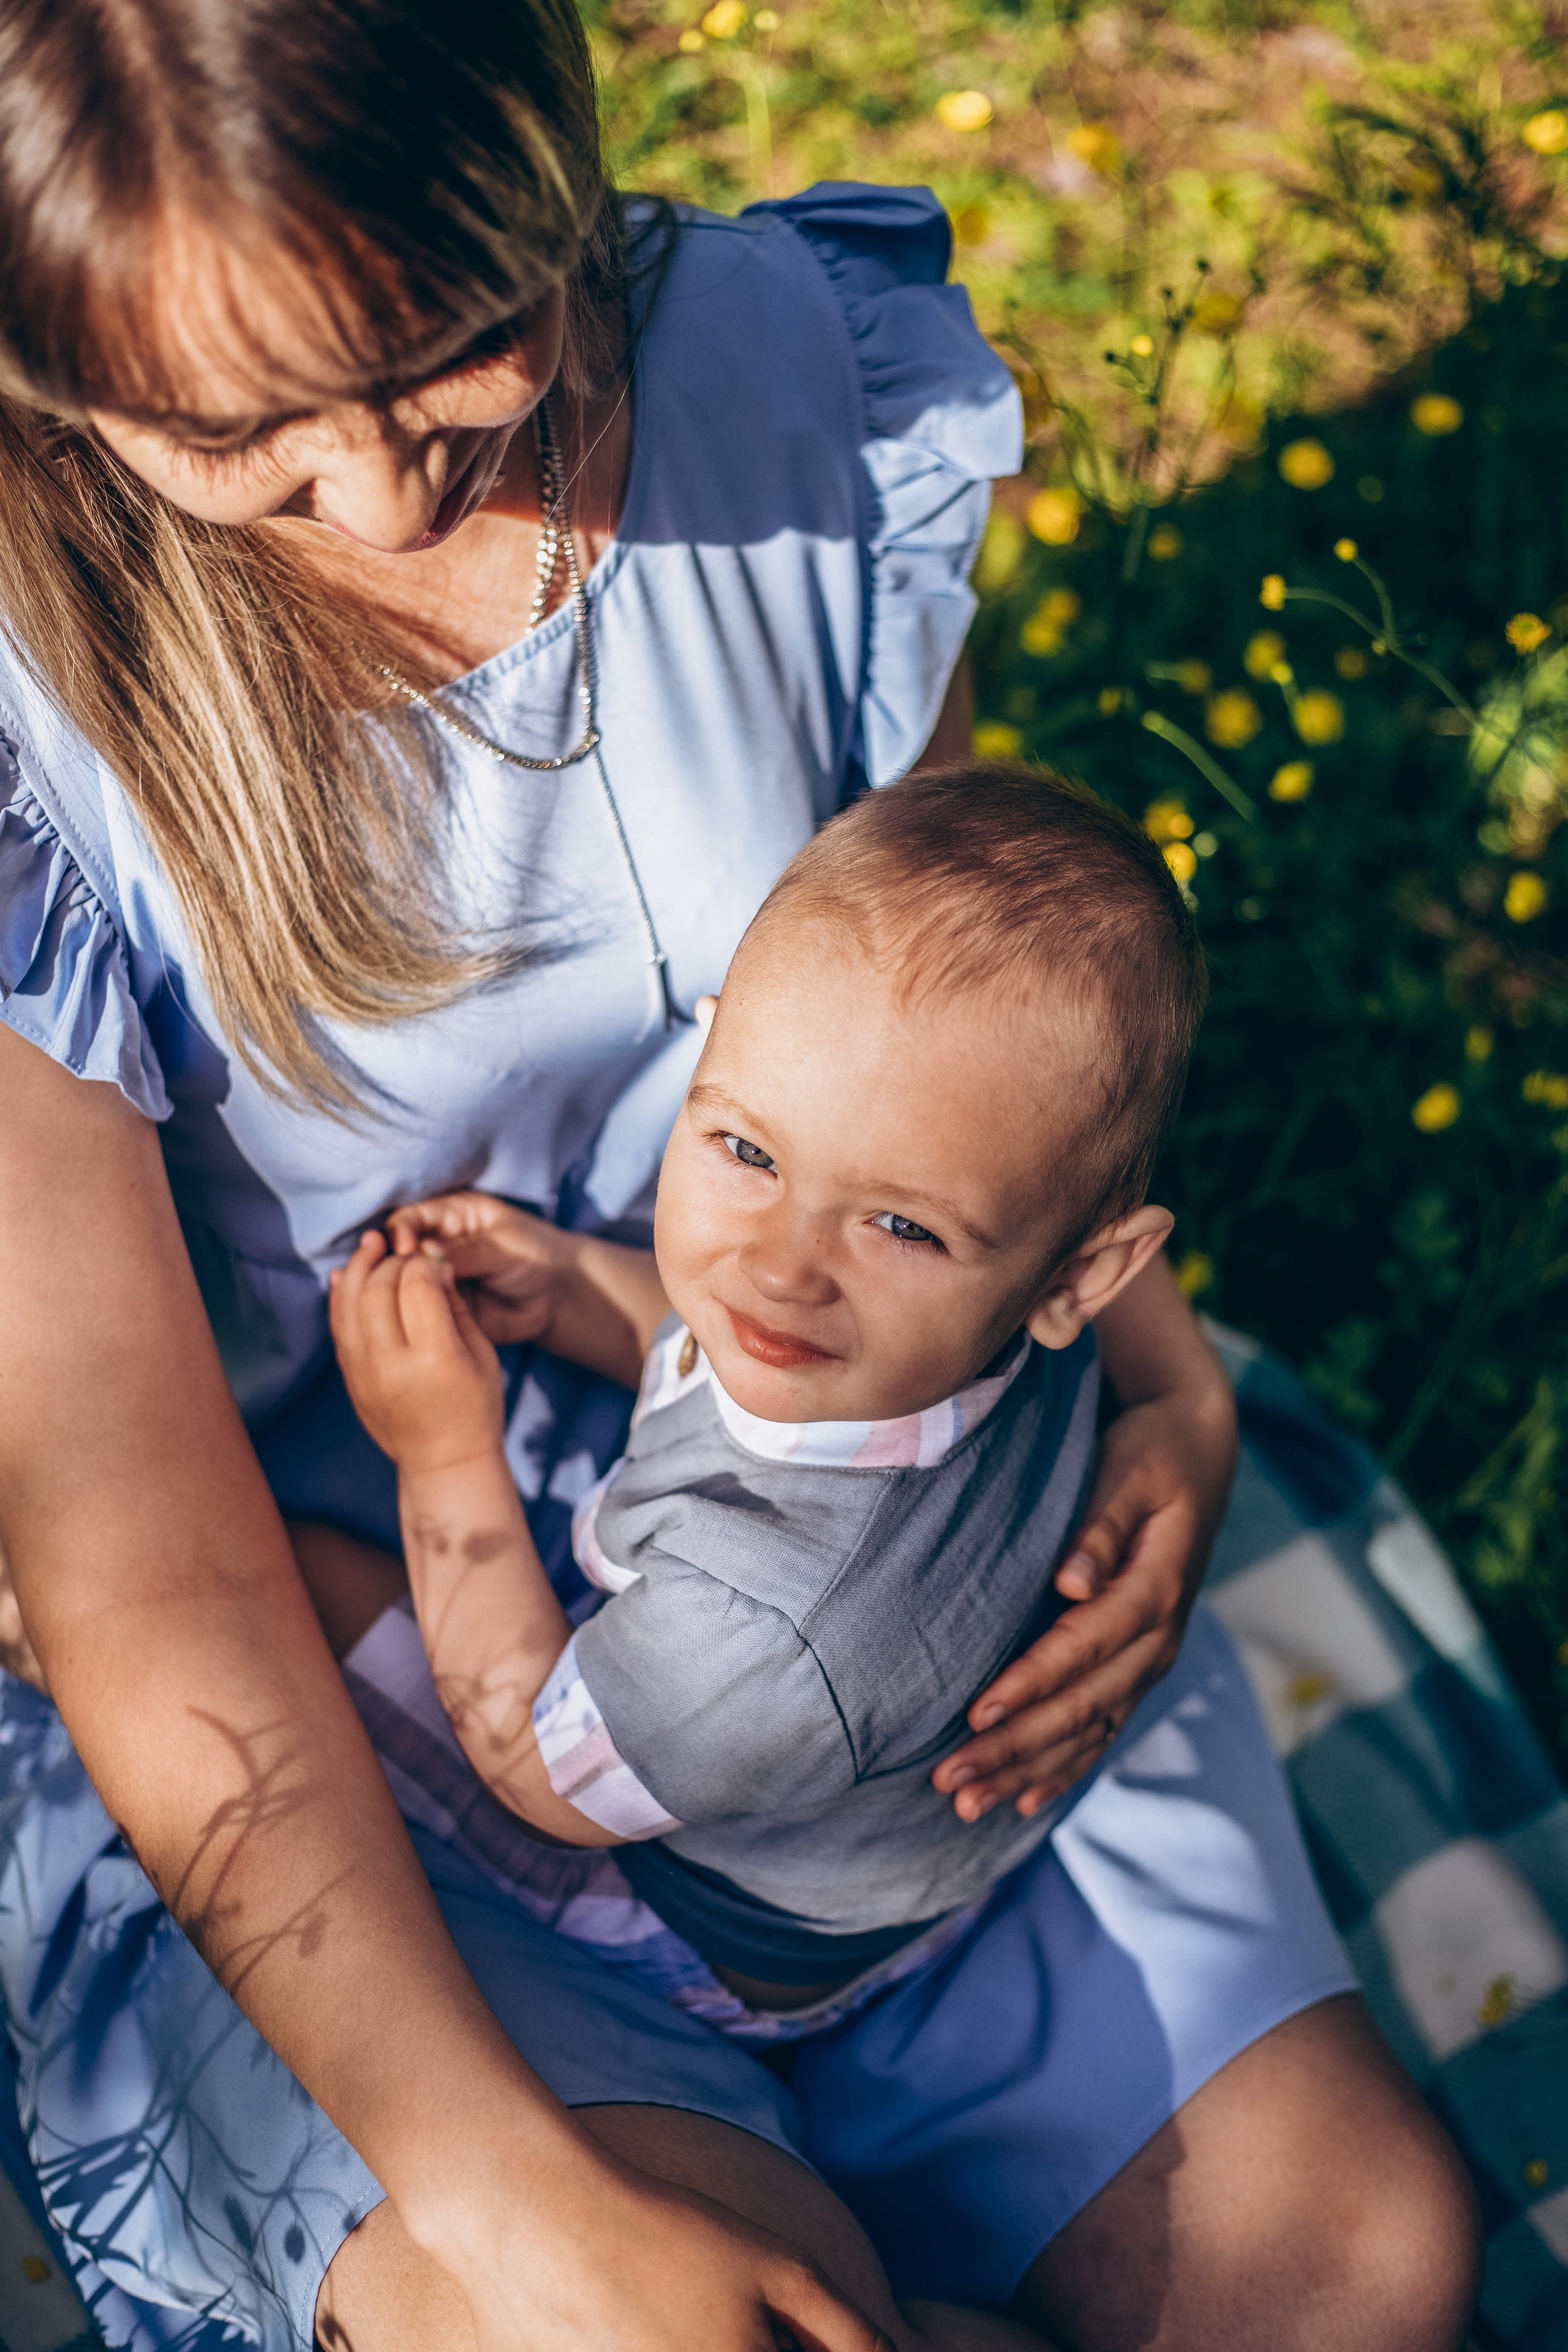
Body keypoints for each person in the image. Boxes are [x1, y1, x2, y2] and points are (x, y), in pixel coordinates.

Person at [0, 0, 1480, 2346]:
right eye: (235, 433)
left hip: (888, 1555)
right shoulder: (33, 722)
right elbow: (141, 1556)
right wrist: (504, 2194)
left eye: (453, 350)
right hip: (331, 1666)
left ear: (541, 156)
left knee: (1348, 2271)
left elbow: (971, 1027)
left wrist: (1167, 1389)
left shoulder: (799, 394)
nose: (381, 498)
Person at [325, 767, 1199, 2044]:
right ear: (714, 1048)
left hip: (707, 1921)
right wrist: (568, 1284)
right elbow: (724, 1348)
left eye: (901, 1227)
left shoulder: (769, 1628)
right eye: (746, 1152)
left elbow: (533, 1764)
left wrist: (442, 1453)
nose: (781, 1266)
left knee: (299, 1579)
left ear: (1080, 1278)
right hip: (865, 1815)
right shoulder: (961, 1315)